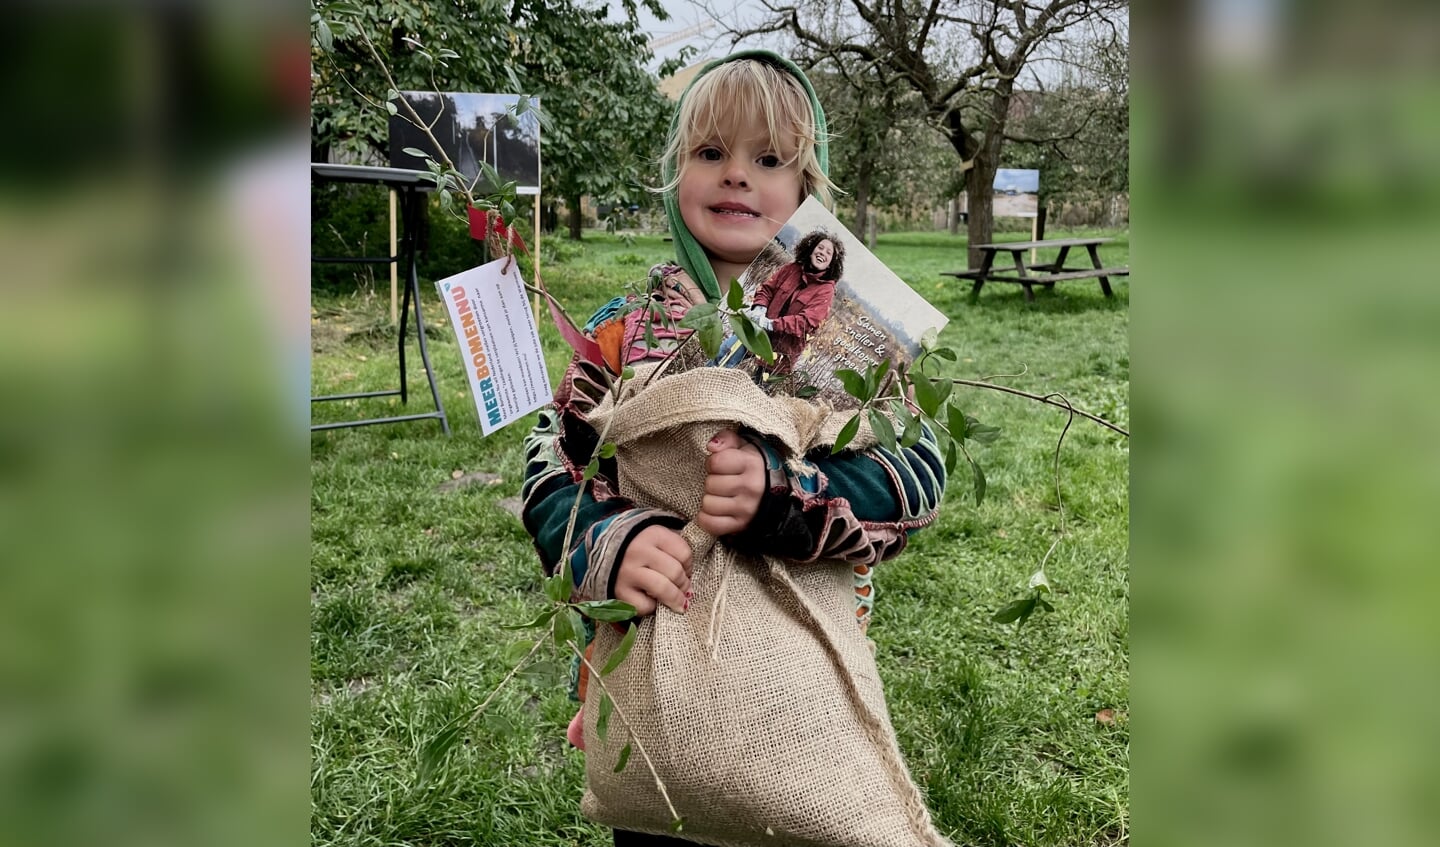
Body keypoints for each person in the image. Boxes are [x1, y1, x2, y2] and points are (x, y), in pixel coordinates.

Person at [519, 50, 947, 846]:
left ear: (808, 187)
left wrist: (786, 493)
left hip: (797, 666)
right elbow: (555, 457)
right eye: (710, 152)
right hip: (654, 665)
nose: (737, 176)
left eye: (770, 158)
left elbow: (920, 466)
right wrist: (607, 541)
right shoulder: (626, 327)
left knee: (803, 811)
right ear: (675, 172)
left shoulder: (847, 335)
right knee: (659, 808)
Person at [744, 228, 845, 372]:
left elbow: (806, 323)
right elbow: (767, 289)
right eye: (820, 247)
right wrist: (759, 309)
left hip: (780, 353)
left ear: (831, 263)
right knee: (724, 356)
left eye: (829, 253)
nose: (823, 252)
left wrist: (771, 324)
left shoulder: (826, 291)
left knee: (757, 388)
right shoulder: (791, 268)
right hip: (756, 332)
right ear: (811, 249)